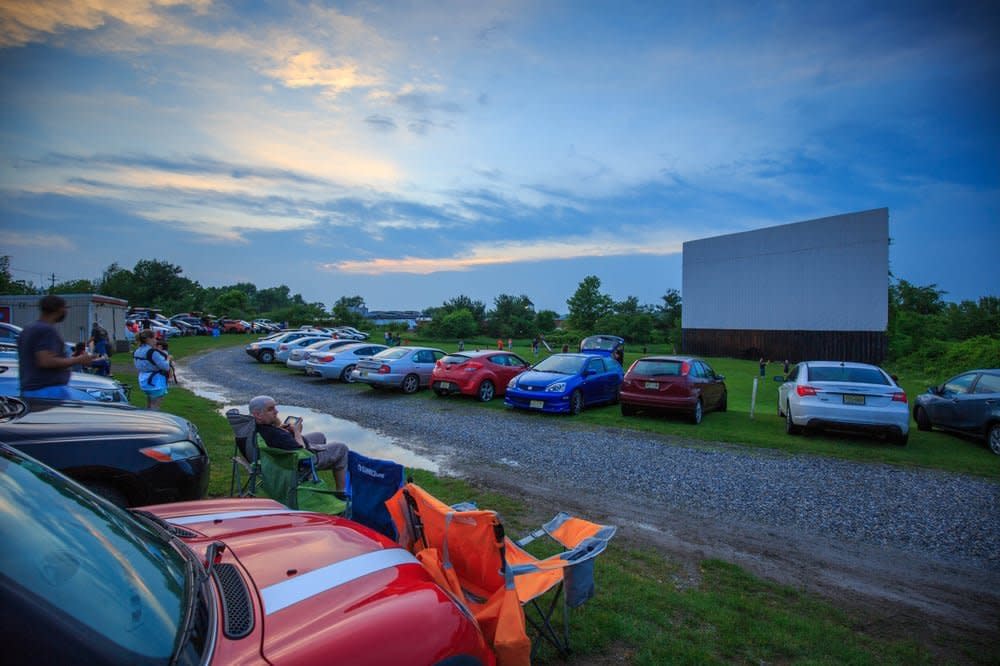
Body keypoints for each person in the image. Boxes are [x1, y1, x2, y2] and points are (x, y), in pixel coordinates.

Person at [249, 395, 349, 491]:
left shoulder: (254, 428)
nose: (276, 411)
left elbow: (276, 436)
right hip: (299, 461)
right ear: (257, 415)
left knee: (319, 435)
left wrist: (280, 428)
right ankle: (341, 492)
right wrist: (297, 432)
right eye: (270, 409)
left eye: (275, 408)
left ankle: (310, 478)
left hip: (280, 454)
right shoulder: (275, 435)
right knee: (342, 448)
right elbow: (302, 453)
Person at [18, 295, 97, 400]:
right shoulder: (46, 330)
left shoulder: (28, 330)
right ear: (59, 309)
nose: (66, 311)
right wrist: (78, 359)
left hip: (29, 389)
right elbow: (45, 361)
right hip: (48, 391)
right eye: (65, 308)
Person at [133, 329, 172, 409]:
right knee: (155, 405)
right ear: (148, 339)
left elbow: (137, 366)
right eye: (154, 338)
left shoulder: (137, 351)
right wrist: (168, 359)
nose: (156, 341)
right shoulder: (152, 352)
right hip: (155, 382)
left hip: (143, 380)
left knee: (149, 404)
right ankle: (153, 420)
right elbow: (166, 367)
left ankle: (147, 419)